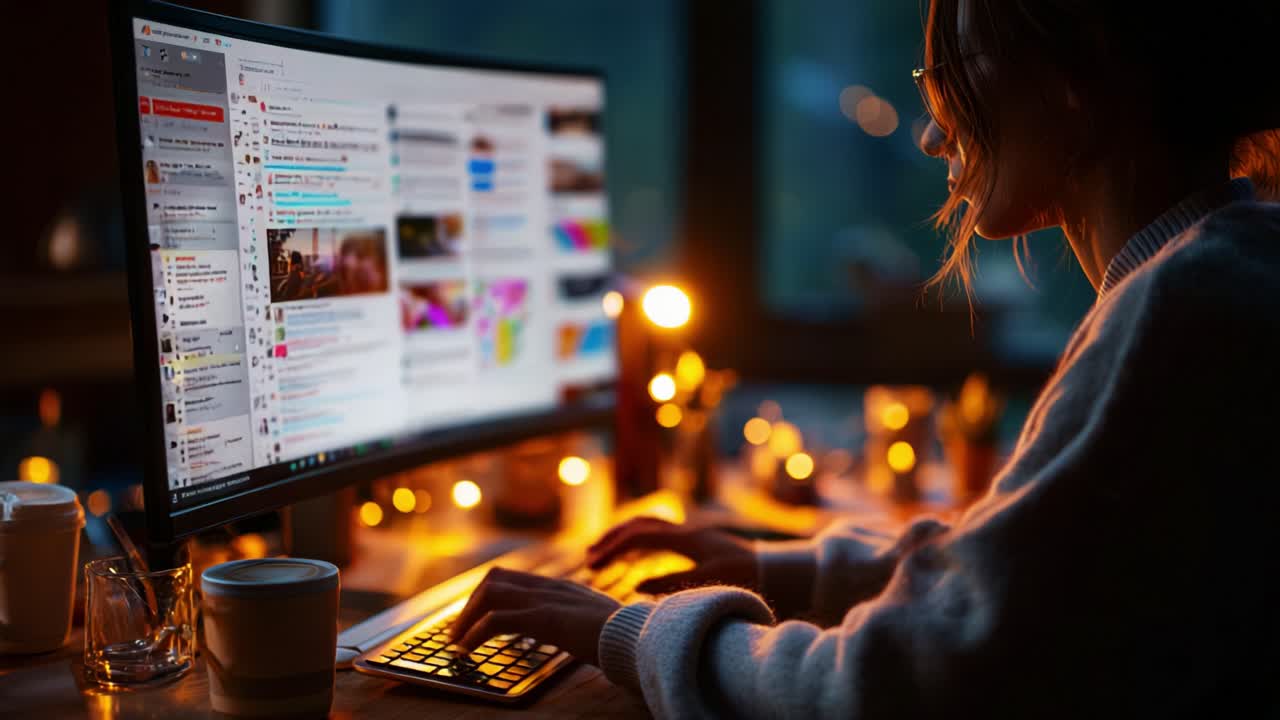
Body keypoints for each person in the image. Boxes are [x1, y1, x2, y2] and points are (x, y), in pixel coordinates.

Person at [451, 1, 1280, 717]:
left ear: (1078, 73)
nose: (929, 132)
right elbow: (1033, 584)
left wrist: (621, 633)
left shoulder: (1190, 307)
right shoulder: (1214, 274)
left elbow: (907, 687)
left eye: (954, 71)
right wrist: (788, 571)